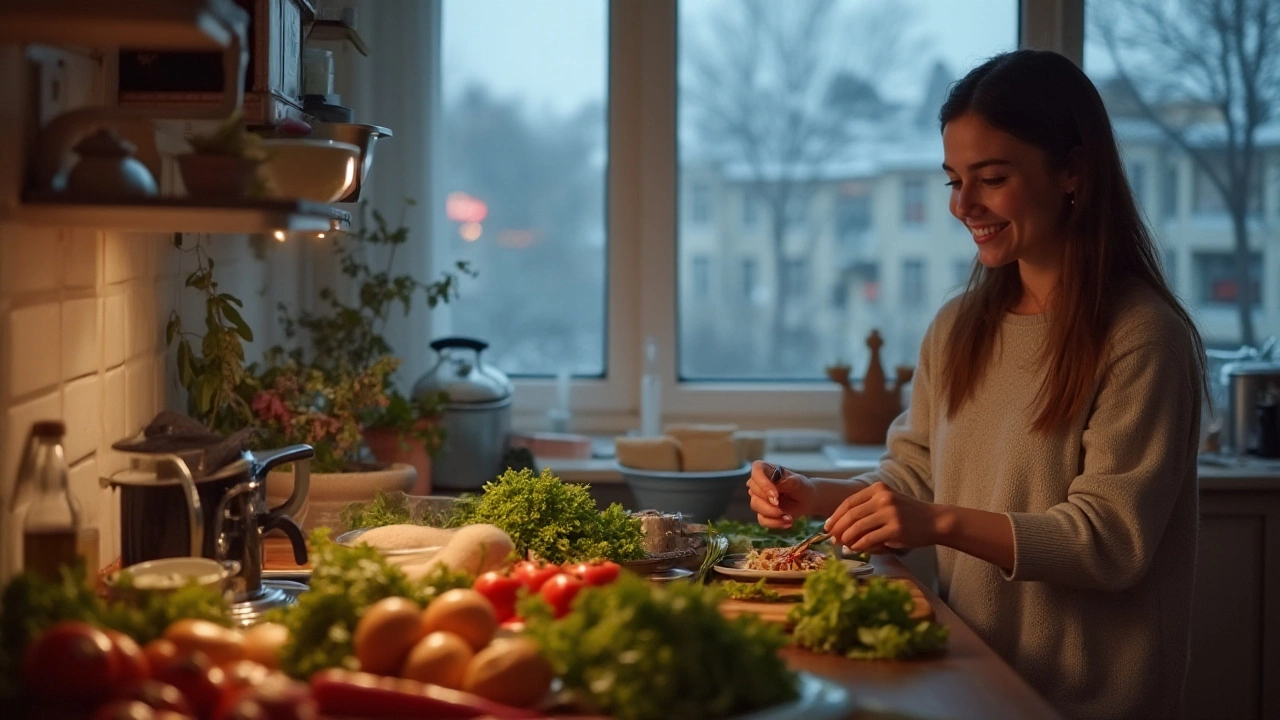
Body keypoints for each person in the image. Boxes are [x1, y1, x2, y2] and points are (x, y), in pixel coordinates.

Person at [748, 49, 1207, 720]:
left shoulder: (1143, 336)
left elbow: (1108, 542)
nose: (964, 205)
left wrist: (936, 522)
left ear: (1073, 173)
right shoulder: (958, 326)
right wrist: (816, 495)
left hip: (1089, 701)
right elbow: (915, 481)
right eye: (953, 181)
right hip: (971, 676)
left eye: (991, 178)